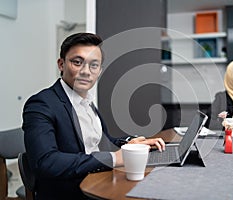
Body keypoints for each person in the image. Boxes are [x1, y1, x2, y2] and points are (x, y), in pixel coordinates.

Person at [22, 32, 165, 200]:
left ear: (99, 71)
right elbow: (46, 162)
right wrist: (113, 158)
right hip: (72, 191)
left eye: (94, 65)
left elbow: (99, 142)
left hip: (99, 178)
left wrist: (129, 144)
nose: (86, 71)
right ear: (61, 64)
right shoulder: (41, 104)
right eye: (77, 62)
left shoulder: (87, 101)